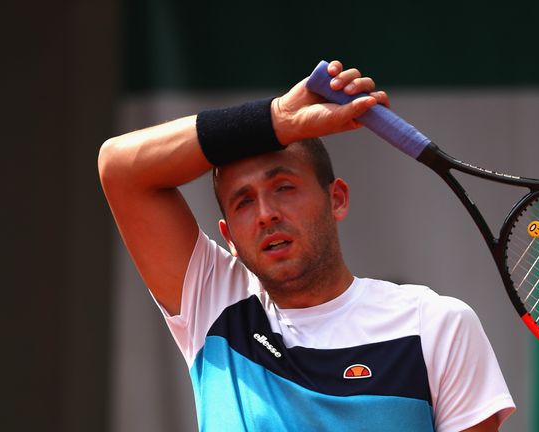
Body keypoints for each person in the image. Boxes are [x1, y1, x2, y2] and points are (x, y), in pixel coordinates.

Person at [98, 60, 515, 431]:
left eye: (284, 187)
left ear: (337, 199)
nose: (266, 213)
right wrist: (277, 117)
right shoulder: (213, 303)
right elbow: (119, 168)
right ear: (229, 238)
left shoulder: (436, 324)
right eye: (244, 201)